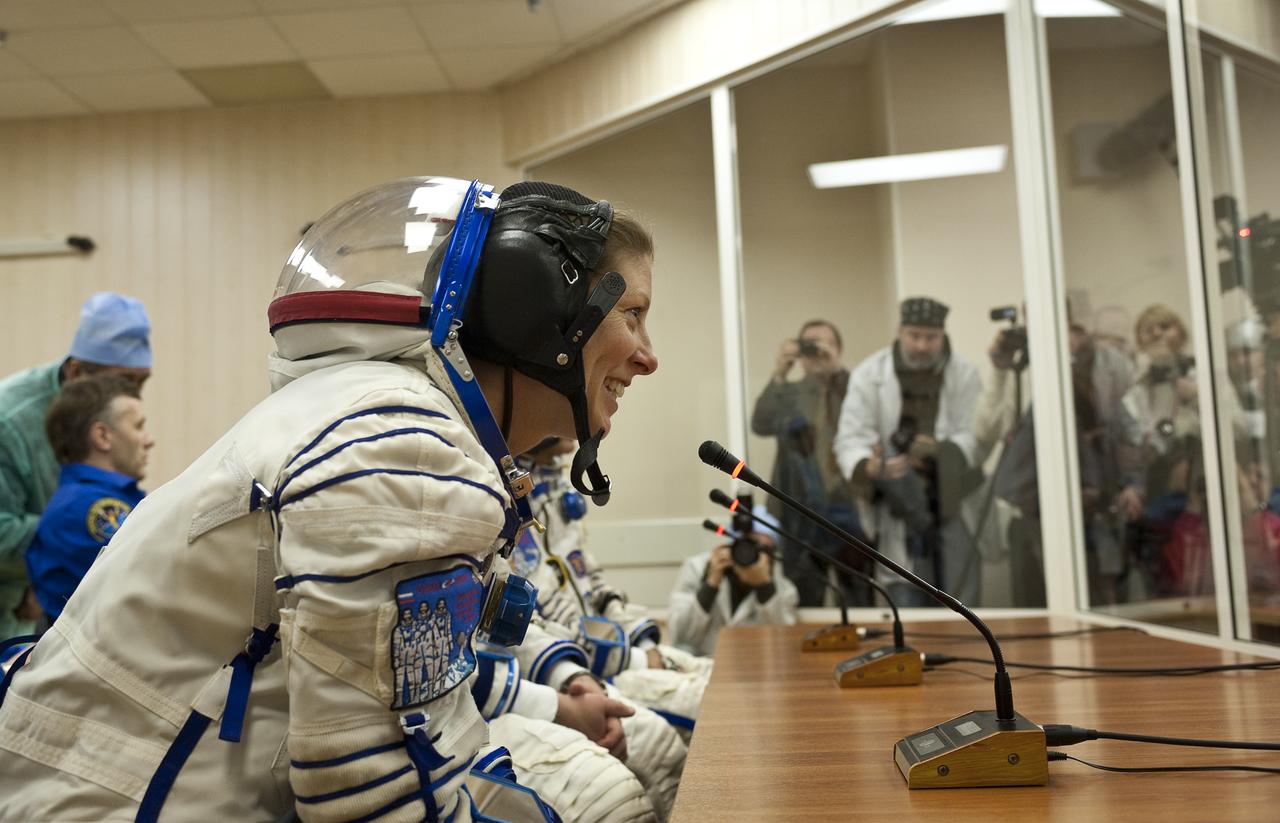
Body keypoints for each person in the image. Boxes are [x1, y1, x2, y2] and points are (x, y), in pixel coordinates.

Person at [0, 176, 659, 822]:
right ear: (537, 312)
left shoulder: (385, 419)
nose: (647, 357)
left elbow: (426, 734)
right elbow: (375, 796)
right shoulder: (399, 446)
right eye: (633, 315)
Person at [0, 291, 151, 639]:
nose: (134, 397)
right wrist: (49, 559)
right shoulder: (11, 421)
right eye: (123, 383)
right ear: (77, 370)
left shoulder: (107, 412)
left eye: (141, 383)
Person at [832, 296, 984, 606]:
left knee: (961, 597)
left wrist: (941, 452)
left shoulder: (964, 374)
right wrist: (871, 467)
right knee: (904, 593)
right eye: (914, 336)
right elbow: (850, 439)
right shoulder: (870, 374)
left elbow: (974, 435)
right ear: (900, 331)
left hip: (951, 497)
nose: (922, 346)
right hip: (897, 500)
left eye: (931, 337)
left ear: (942, 335)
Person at [750, 320, 869, 607]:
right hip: (799, 512)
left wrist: (835, 371)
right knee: (804, 599)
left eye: (823, 344)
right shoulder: (790, 392)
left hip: (848, 509)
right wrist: (780, 373)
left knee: (858, 598)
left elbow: (869, 418)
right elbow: (760, 423)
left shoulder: (852, 389)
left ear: (838, 350)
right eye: (808, 345)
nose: (815, 352)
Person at [25, 374, 154, 624]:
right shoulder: (86, 509)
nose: (149, 440)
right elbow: (154, 584)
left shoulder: (90, 500)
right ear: (102, 436)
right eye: (138, 426)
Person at [666, 526, 799, 656]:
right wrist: (711, 583)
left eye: (762, 549)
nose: (751, 554)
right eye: (748, 545)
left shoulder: (784, 589)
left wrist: (764, 587)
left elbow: (784, 643)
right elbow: (679, 637)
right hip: (701, 665)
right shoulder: (698, 569)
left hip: (752, 668)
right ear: (732, 547)